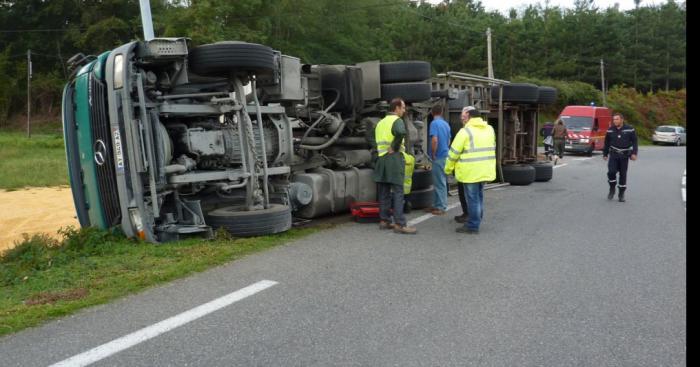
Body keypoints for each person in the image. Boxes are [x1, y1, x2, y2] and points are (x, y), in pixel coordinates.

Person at [445, 106, 496, 234]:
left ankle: (473, 225)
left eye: (464, 117)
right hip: (485, 170)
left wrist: (448, 169)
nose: (462, 119)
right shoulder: (489, 129)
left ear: (469, 117)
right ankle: (477, 218)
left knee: (472, 199)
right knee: (479, 196)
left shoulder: (465, 132)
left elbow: (453, 153)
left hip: (470, 171)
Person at [373, 98, 417, 234]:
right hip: (394, 158)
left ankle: (384, 220)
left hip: (381, 159)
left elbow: (370, 137)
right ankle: (400, 224)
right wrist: (395, 146)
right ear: (397, 108)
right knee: (398, 191)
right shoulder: (397, 121)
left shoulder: (380, 122)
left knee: (384, 192)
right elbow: (400, 133)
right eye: (403, 108)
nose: (404, 111)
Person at [603, 113, 638, 202]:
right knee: (611, 172)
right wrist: (605, 154)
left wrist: (634, 153)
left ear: (622, 120)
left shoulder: (630, 129)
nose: (615, 121)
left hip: (624, 155)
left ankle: (621, 194)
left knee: (623, 175)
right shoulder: (610, 130)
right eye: (614, 119)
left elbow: (634, 142)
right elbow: (606, 143)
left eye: (617, 119)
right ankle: (612, 188)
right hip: (613, 155)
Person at [427, 104, 451, 215]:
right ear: (441, 112)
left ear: (432, 112)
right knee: (439, 181)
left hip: (439, 156)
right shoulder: (446, 124)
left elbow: (434, 140)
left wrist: (433, 153)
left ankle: (441, 207)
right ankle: (437, 205)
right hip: (446, 155)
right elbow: (448, 140)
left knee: (439, 182)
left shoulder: (434, 123)